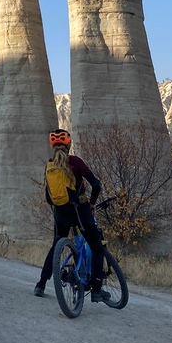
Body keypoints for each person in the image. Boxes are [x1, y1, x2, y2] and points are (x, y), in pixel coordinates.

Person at [34, 129, 110, 303]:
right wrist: (92, 203)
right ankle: (97, 290)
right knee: (97, 247)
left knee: (56, 247)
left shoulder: (50, 165)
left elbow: (49, 194)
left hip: (61, 213)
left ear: (53, 145)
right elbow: (96, 184)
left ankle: (41, 284)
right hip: (80, 211)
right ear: (69, 144)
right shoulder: (75, 162)